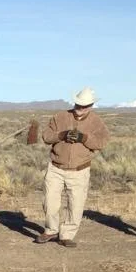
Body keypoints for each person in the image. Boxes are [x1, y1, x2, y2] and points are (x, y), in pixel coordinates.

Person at [36, 87, 110, 248]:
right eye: (78, 104)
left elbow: (102, 142)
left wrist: (84, 138)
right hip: (56, 167)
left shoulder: (96, 122)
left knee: (76, 205)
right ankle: (50, 230)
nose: (80, 108)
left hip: (80, 169)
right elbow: (46, 136)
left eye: (84, 106)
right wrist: (61, 135)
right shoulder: (60, 117)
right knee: (50, 202)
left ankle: (67, 235)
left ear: (90, 106)